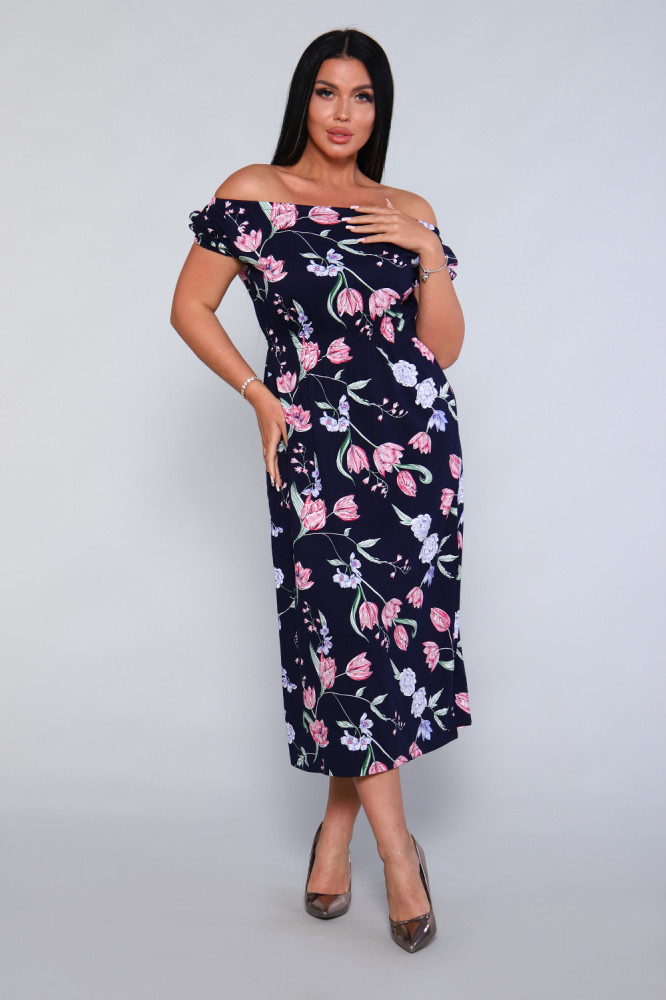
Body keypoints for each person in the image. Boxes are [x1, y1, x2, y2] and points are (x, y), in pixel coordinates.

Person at [170, 27, 471, 953]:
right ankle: (400, 857)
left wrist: (424, 248)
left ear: (381, 110)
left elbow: (441, 350)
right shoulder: (255, 193)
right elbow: (189, 306)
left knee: (378, 647)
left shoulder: (405, 208)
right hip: (314, 453)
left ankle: (334, 841)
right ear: (305, 98)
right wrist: (258, 395)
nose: (344, 113)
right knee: (345, 641)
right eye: (328, 92)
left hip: (415, 454)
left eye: (363, 96)